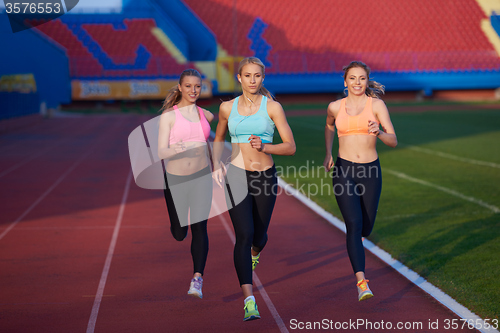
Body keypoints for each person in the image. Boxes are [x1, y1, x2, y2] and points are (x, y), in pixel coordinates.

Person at [212, 57, 296, 321]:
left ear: (263, 78)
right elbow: (219, 137)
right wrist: (216, 164)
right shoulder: (227, 108)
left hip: (265, 176)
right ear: (239, 78)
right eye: (247, 75)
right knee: (244, 234)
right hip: (235, 175)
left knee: (260, 237)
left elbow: (290, 147)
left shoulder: (273, 108)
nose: (252, 80)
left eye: (257, 76)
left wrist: (265, 147)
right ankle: (249, 300)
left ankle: (255, 254)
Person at [323, 61, 397, 301]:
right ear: (345, 82)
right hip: (344, 169)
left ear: (367, 81)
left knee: (366, 226)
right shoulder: (335, 106)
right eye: (352, 78)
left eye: (361, 78)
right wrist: (328, 153)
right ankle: (362, 282)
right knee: (353, 224)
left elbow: (393, 140)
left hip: (370, 171)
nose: (357, 83)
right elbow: (329, 126)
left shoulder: (377, 105)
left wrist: (380, 132)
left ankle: (360, 238)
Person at [157, 69, 214, 299]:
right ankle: (177, 228)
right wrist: (177, 149)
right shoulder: (169, 116)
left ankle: (197, 279)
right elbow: (161, 151)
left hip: (202, 178)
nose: (193, 91)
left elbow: (208, 144)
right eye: (189, 86)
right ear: (180, 87)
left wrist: (217, 168)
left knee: (200, 228)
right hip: (176, 180)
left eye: (197, 86)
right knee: (180, 233)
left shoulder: (207, 115)